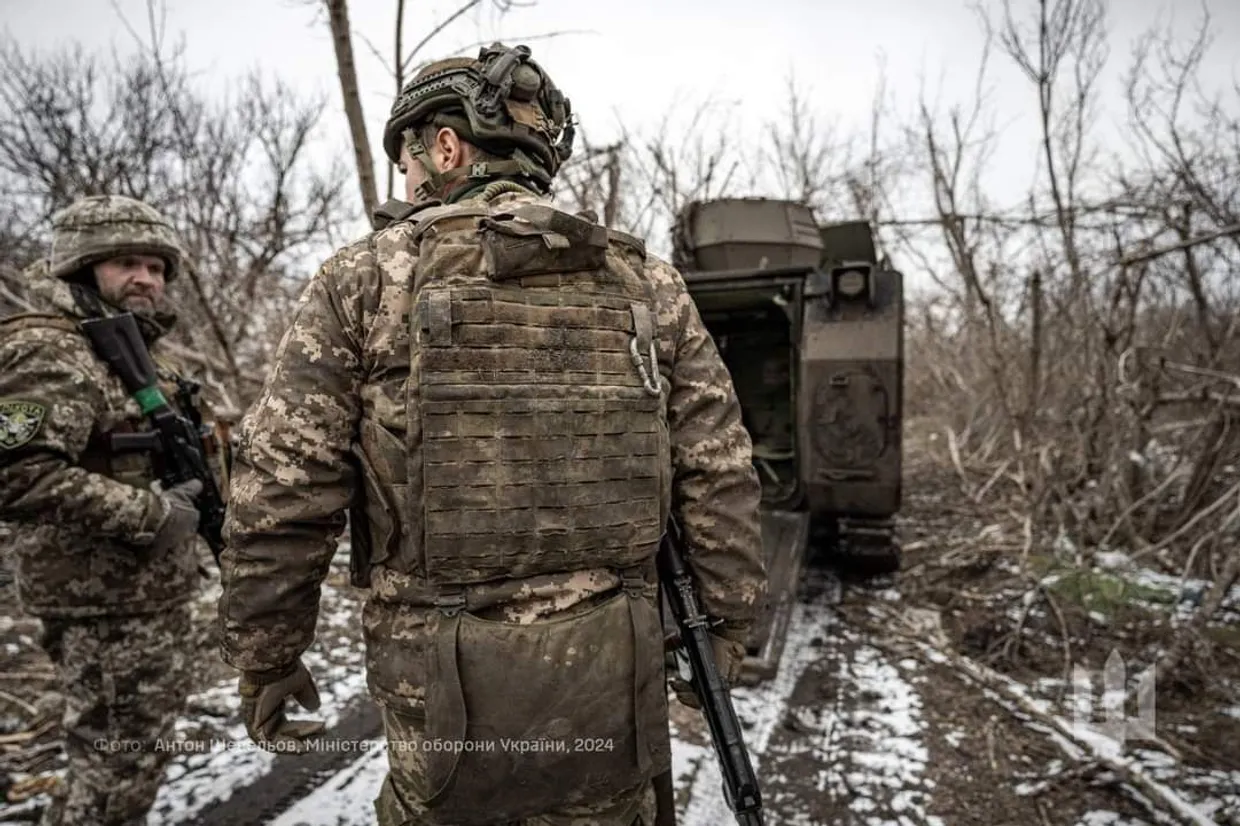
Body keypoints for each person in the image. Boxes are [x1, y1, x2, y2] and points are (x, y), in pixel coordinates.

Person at [217, 42, 767, 826]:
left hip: (440, 696)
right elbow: (718, 469)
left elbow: (282, 494)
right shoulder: (646, 283)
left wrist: (266, 656)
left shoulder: (365, 280)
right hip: (614, 681)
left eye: (408, 163)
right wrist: (727, 624)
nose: (408, 183)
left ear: (444, 146)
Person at [0, 195, 212, 826]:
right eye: (125, 263)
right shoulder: (49, 349)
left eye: (155, 265)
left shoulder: (126, 352)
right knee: (115, 773)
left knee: (122, 765)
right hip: (101, 608)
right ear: (80, 269)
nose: (145, 278)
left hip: (142, 598)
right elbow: (16, 473)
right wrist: (150, 516)